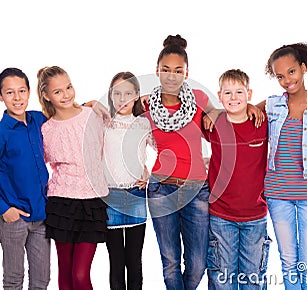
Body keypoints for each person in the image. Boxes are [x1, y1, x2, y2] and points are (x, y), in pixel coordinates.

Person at [144, 34, 262, 290]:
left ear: (187, 73)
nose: (172, 76)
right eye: (166, 70)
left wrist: (251, 104)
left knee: (198, 263)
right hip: (160, 189)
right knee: (170, 262)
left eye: (178, 70)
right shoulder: (146, 105)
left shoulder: (198, 99)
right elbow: (115, 109)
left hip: (196, 190)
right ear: (157, 71)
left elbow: (228, 111)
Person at [0, 67, 51, 289]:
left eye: (22, 91)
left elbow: (64, 117)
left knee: (42, 280)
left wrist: (84, 107)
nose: (17, 98)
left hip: (42, 217)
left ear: (29, 92)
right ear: (0, 96)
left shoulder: (37, 119)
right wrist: (4, 209)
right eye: (9, 92)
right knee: (14, 279)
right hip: (14, 219)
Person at [263, 43, 307, 290]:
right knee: (289, 261)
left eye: (291, 72)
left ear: (303, 68)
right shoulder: (272, 106)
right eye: (280, 76)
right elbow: (243, 109)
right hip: (277, 195)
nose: (286, 80)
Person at [37, 65, 109, 290]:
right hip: (62, 203)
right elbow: (42, 163)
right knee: (65, 273)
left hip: (92, 201)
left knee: (80, 274)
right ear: (47, 96)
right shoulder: (46, 129)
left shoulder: (92, 115)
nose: (66, 94)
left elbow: (117, 137)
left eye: (68, 87)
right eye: (58, 91)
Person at [204, 69, 272, 290]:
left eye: (239, 92)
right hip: (221, 217)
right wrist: (212, 110)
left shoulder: (262, 124)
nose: (233, 98)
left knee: (253, 279)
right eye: (228, 93)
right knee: (222, 280)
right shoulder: (214, 124)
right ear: (220, 95)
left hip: (255, 217)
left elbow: (285, 101)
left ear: (249, 93)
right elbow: (189, 101)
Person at [102, 71, 155, 290]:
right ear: (111, 96)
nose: (122, 99)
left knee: (134, 260)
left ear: (136, 96)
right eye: (117, 93)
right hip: (109, 196)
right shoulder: (105, 124)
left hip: (135, 195)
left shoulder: (143, 124)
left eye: (128, 93)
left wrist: (147, 171)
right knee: (116, 261)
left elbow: (165, 150)